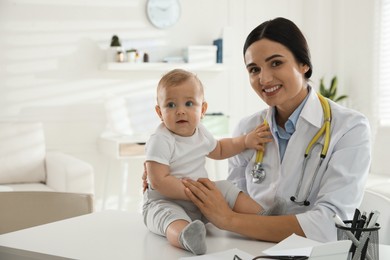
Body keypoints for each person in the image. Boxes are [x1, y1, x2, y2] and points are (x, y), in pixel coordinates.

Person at [181, 17, 371, 243]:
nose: (264, 78)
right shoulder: (247, 129)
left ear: (304, 64)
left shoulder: (350, 128)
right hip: (251, 249)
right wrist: (165, 174)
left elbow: (330, 225)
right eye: (254, 69)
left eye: (276, 63)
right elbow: (232, 200)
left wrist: (229, 220)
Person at [142, 69, 279, 255]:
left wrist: (245, 141)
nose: (180, 110)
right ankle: (185, 235)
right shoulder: (161, 139)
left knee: (226, 188)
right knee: (168, 217)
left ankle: (265, 216)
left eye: (189, 103)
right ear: (159, 112)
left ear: (203, 110)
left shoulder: (201, 132)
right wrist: (194, 193)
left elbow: (220, 150)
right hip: (167, 200)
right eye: (171, 105)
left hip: (201, 199)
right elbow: (158, 180)